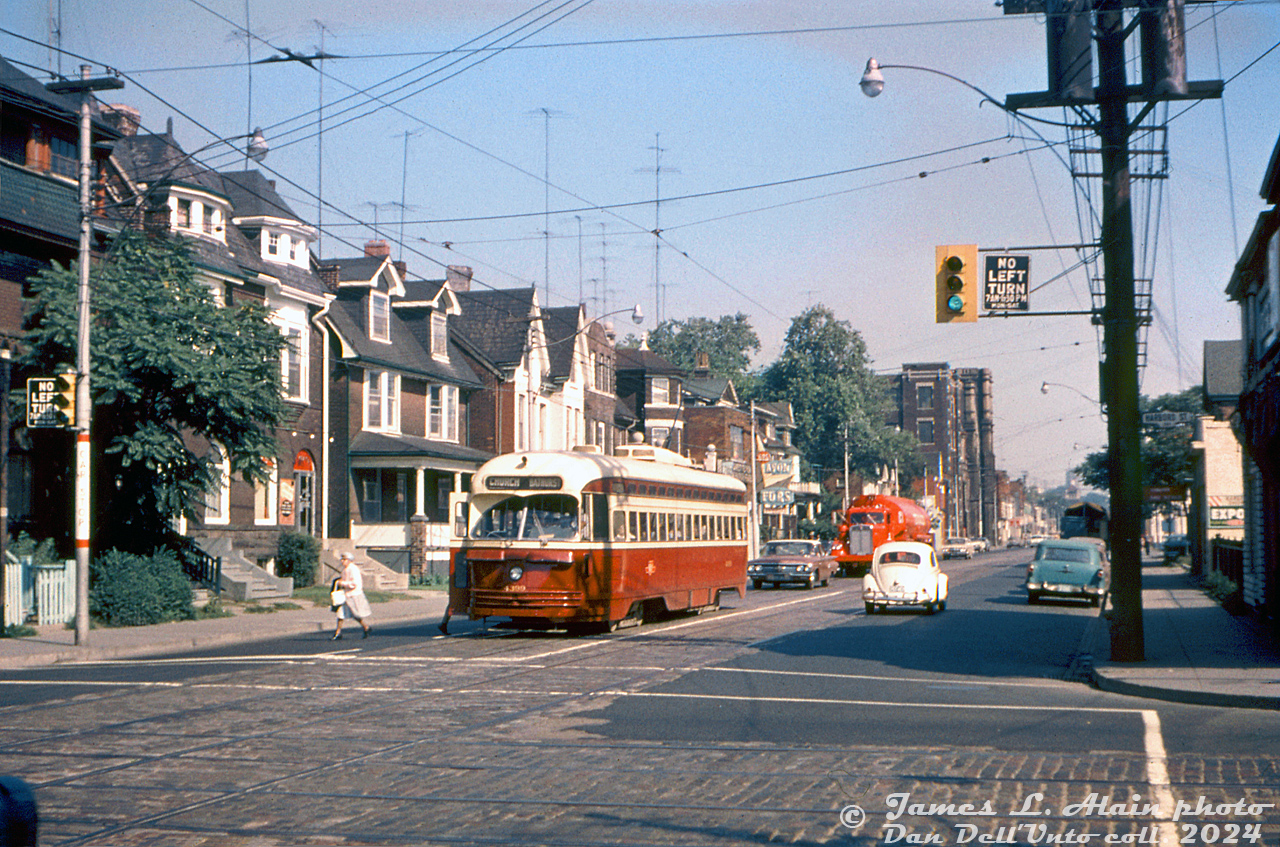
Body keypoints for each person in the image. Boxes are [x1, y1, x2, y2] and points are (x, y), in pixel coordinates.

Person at [332, 553, 372, 640]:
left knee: (355, 614)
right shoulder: (345, 570)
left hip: (353, 595)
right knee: (340, 613)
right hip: (346, 595)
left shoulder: (353, 569)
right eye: (342, 559)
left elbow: (354, 584)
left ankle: (366, 627)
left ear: (349, 560)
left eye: (344, 559)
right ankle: (338, 633)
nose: (342, 561)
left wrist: (342, 583)